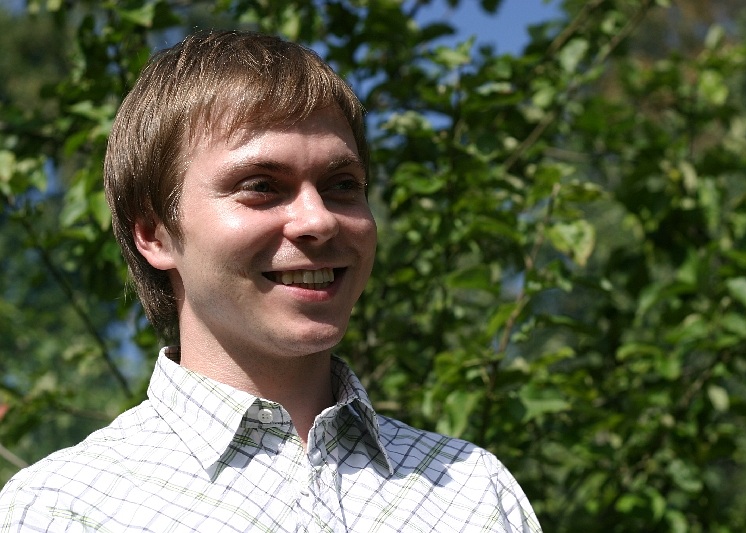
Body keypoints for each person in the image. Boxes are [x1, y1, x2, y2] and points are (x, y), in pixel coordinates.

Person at [0, 30, 542, 532]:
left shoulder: (473, 492)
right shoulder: (64, 508)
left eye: (343, 184)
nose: (318, 220)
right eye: (261, 186)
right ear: (154, 233)